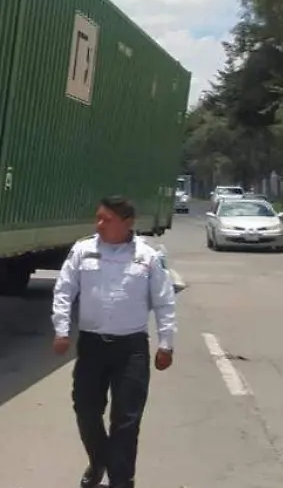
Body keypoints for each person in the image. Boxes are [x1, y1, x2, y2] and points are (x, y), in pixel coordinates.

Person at [51, 195, 178, 488]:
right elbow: (63, 290)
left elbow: (164, 301)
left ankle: (121, 480)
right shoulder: (83, 250)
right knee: (85, 409)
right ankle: (99, 461)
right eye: (98, 218)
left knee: (126, 420)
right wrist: (61, 329)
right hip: (92, 346)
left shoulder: (148, 256)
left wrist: (166, 343)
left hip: (131, 349)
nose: (99, 224)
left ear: (127, 223)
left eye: (106, 220)